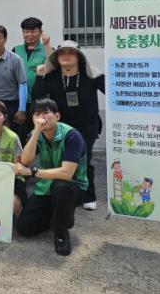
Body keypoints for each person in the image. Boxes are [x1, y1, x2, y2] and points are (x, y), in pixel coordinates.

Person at [32, 40, 105, 210]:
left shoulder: (92, 75)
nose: (66, 56)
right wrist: (39, 76)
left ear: (79, 57)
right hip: (61, 127)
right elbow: (37, 96)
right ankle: (64, 193)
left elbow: (113, 91)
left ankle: (88, 195)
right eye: (62, 53)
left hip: (88, 125)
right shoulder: (51, 76)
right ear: (56, 58)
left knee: (84, 159)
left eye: (71, 53)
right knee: (63, 160)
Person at [14, 98, 88, 256]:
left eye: (46, 113)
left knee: (61, 186)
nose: (41, 117)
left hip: (73, 186)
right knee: (24, 227)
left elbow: (66, 173)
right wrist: (36, 133)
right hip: (47, 186)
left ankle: (61, 234)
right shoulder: (35, 134)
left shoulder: (72, 136)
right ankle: (62, 216)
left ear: (57, 116)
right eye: (36, 114)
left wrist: (32, 172)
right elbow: (25, 161)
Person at [12, 17, 52, 142]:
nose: (29, 35)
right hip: (20, 101)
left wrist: (47, 45)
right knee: (21, 135)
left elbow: (52, 67)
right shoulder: (16, 50)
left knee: (42, 135)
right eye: (26, 31)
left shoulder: (47, 50)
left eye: (33, 31)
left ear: (40, 32)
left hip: (40, 101)